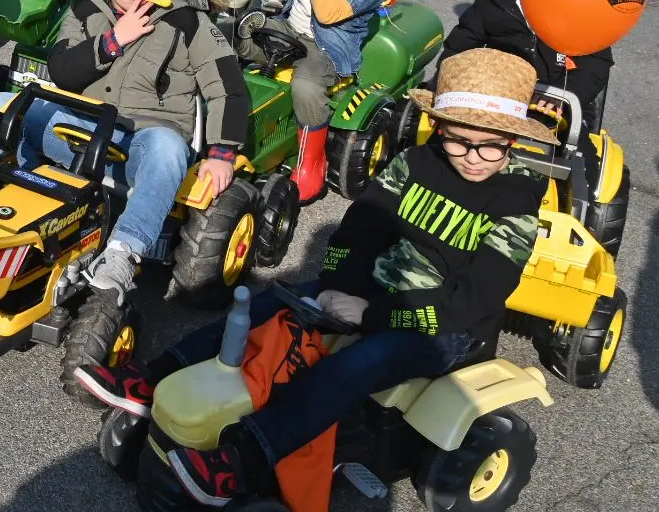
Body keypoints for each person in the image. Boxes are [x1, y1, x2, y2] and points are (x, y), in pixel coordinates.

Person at [74, 49, 548, 508]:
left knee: (358, 362)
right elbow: (361, 227)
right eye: (459, 140)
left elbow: (475, 298)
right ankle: (153, 377)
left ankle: (242, 459)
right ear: (439, 128)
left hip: (445, 325)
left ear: (512, 140)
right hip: (376, 290)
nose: (474, 157)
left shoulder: (517, 202)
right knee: (266, 304)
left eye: (492, 145)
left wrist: (371, 313)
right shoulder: (417, 163)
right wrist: (339, 284)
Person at [0, 0, 250, 304]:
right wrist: (112, 42)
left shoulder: (187, 19)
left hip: (140, 144)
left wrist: (222, 152)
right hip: (83, 128)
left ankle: (123, 252)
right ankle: (25, 201)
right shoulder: (85, 8)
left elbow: (228, 86)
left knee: (168, 148)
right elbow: (61, 71)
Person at [239, 0, 399, 202]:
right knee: (235, 34)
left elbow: (328, 13)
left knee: (306, 87)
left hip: (326, 47)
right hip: (289, 27)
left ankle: (311, 165)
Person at [441, 0, 613, 129]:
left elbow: (596, 63)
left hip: (557, 98)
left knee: (577, 146)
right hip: (495, 92)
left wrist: (564, 94)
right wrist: (445, 84)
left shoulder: (587, 9)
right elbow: (461, 43)